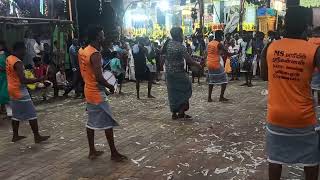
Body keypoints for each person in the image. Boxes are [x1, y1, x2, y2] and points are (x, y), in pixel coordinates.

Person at [260, 6, 320, 180]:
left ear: (285, 24)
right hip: (303, 117)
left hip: (276, 115)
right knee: (311, 161)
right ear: (306, 26)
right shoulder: (313, 50)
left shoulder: (271, 47)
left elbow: (264, 75)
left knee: (275, 159)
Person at [78, 25, 127, 161]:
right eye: (103, 35)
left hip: (88, 89)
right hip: (96, 93)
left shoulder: (83, 51)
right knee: (108, 122)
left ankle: (92, 151)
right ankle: (113, 153)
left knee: (91, 122)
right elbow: (99, 77)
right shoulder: (95, 54)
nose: (104, 37)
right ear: (98, 37)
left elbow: (86, 72)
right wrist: (110, 86)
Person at [6, 42, 50, 143]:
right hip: (20, 90)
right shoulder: (18, 62)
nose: (25, 52)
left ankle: (15, 135)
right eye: (24, 50)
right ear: (19, 49)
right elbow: (23, 80)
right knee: (32, 114)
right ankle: (37, 136)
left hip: (12, 89)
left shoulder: (9, 58)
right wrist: (39, 79)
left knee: (16, 115)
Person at [163, 27, 201, 120]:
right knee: (185, 90)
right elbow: (189, 60)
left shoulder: (168, 43)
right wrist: (198, 65)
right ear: (179, 34)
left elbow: (162, 54)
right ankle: (181, 111)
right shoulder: (180, 46)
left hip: (168, 72)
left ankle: (174, 113)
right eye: (182, 33)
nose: (182, 35)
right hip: (178, 73)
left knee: (172, 93)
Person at [207, 30, 229, 102]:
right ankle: (221, 97)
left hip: (209, 63)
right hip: (216, 63)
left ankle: (209, 97)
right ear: (220, 36)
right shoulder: (219, 44)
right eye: (223, 36)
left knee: (211, 81)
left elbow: (207, 52)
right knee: (225, 80)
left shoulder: (210, 43)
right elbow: (226, 51)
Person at [0, 41, 11, 118]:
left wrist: (4, 69)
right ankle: (4, 110)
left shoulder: (6, 55)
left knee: (5, 94)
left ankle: (9, 112)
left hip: (5, 76)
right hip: (3, 76)